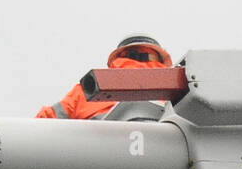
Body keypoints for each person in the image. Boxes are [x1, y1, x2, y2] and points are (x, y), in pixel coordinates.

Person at [34, 34, 173, 121]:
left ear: (119, 57)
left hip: (99, 164)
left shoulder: (91, 88)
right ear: (159, 59)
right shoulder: (178, 89)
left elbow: (42, 123)